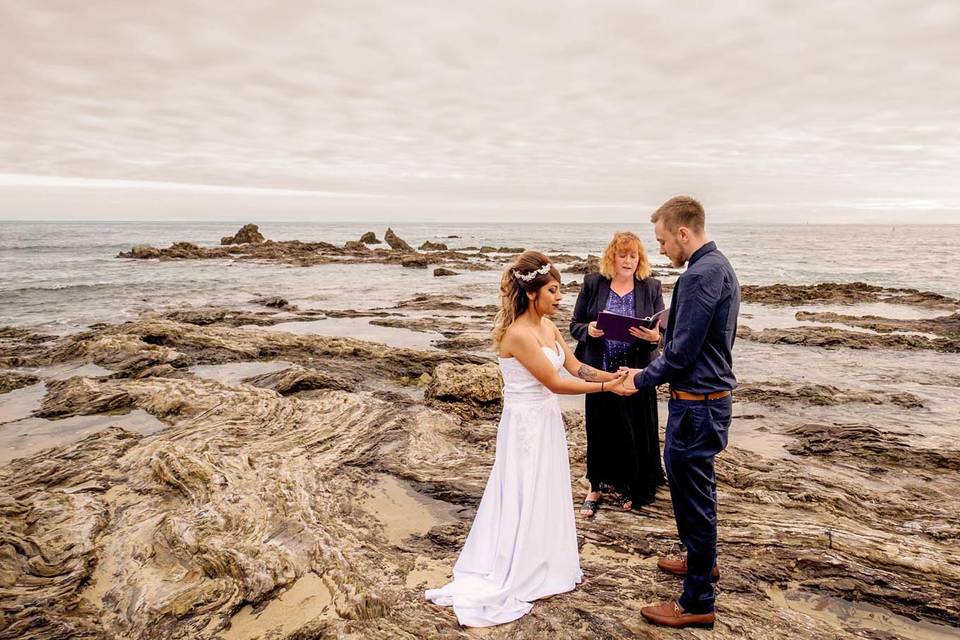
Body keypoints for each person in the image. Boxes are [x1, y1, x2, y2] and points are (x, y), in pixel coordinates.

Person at [426, 250, 636, 627]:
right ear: (532, 293)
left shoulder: (548, 326)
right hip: (524, 423)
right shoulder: (519, 334)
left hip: (546, 418)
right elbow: (555, 381)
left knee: (545, 487)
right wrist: (608, 390)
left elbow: (575, 367)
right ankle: (518, 565)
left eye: (560, 290)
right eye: (553, 291)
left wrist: (614, 377)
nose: (560, 298)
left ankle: (544, 557)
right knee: (524, 487)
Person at [623, 196, 740, 629]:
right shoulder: (720, 266)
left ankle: (696, 602)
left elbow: (683, 354)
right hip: (708, 402)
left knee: (693, 499)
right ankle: (699, 561)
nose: (661, 251)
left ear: (683, 233)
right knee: (700, 490)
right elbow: (700, 338)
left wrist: (637, 378)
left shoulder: (698, 276)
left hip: (696, 407)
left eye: (663, 240)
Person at [570, 231, 665, 517]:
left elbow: (661, 332)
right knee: (599, 427)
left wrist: (652, 337)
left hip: (636, 370)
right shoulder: (593, 283)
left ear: (640, 259)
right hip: (601, 369)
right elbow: (574, 324)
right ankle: (595, 486)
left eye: (633, 255)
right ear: (612, 257)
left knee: (635, 428)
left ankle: (629, 484)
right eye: (623, 255)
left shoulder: (651, 286)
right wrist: (588, 330)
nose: (628, 260)